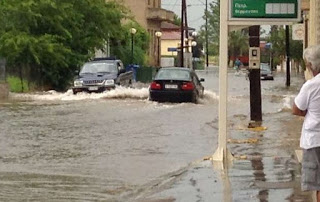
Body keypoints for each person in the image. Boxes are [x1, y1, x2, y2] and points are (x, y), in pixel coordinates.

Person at [292, 45, 320, 201]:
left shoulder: (311, 85)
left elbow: (296, 109)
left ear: (310, 64)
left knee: (318, 184)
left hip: (314, 141)